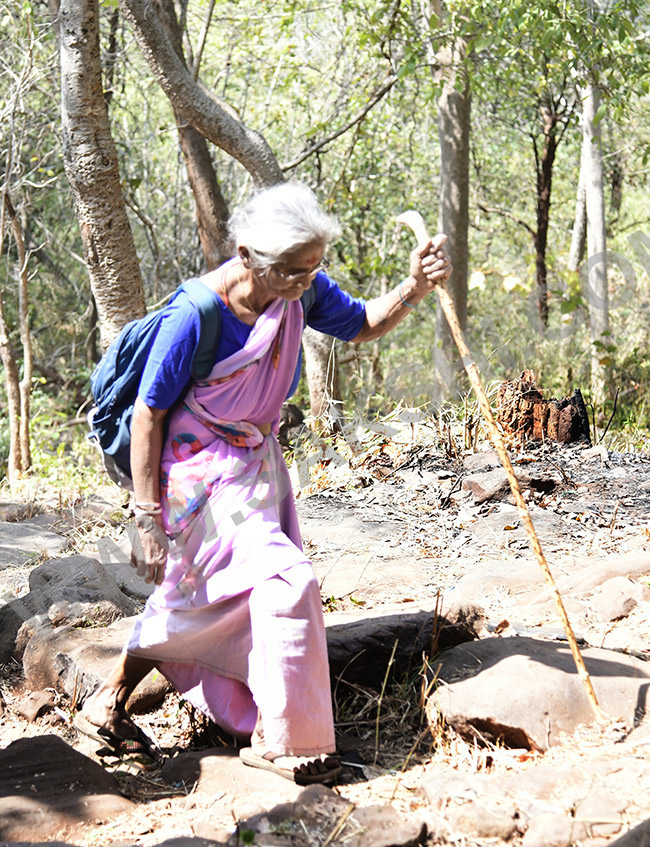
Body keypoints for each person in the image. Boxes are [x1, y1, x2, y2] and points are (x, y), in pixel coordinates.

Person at [74, 182, 452, 782]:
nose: (306, 284)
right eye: (294, 273)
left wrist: (416, 287)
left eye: (313, 269)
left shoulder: (297, 288)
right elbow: (148, 413)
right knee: (284, 578)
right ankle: (285, 739)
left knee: (205, 595)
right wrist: (145, 517)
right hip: (194, 474)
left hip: (253, 461)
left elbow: (360, 324)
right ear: (248, 255)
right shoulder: (195, 315)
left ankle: (110, 699)